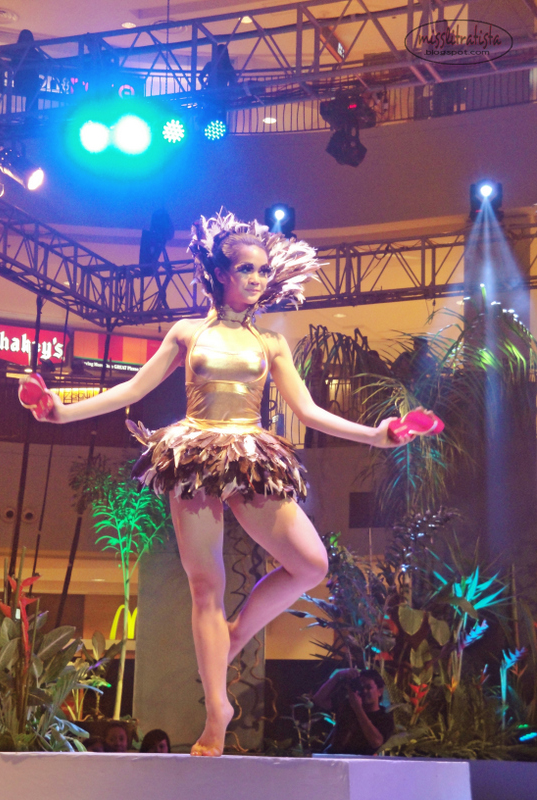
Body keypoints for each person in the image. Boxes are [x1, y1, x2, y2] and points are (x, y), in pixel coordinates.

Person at [22, 210, 414, 757]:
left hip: (251, 456)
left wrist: (377, 434)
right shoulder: (188, 332)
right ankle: (216, 712)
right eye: (246, 269)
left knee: (312, 564)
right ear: (220, 272)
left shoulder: (271, 343)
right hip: (195, 456)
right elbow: (133, 389)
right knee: (206, 584)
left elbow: (309, 411)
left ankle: (235, 634)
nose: (257, 278)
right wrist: (61, 411)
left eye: (263, 270)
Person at [312, 667, 394, 755]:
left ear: (380, 691)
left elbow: (376, 742)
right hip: (334, 758)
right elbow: (319, 699)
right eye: (361, 687)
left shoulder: (384, 717)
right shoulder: (347, 706)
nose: (364, 691)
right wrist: (338, 675)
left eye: (368, 687)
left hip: (359, 762)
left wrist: (357, 708)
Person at [11, 29, 44, 111]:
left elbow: (42, 61)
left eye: (28, 39)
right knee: (32, 93)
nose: (26, 41)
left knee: (33, 94)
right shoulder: (16, 51)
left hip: (31, 79)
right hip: (21, 79)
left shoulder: (34, 52)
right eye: (24, 38)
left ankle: (30, 115)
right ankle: (30, 115)